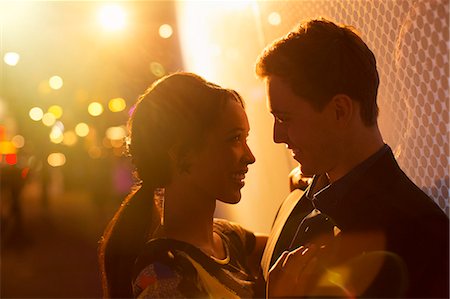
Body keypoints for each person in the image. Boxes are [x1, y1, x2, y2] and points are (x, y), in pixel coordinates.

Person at [255, 18, 449, 298]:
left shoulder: (421, 235)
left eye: (285, 118)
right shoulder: (300, 199)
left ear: (340, 111)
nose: (276, 136)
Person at [98, 72, 267, 298]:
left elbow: (289, 245)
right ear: (180, 154)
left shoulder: (227, 237)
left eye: (246, 138)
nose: (249, 156)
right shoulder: (163, 279)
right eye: (234, 138)